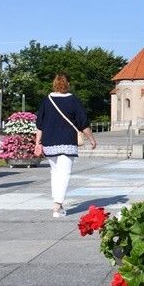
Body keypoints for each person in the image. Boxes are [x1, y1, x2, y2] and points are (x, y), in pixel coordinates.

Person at [34, 73, 96, 217]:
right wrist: (91, 138)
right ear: (68, 83)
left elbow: (40, 124)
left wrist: (37, 142)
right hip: (67, 141)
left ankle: (57, 202)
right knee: (64, 174)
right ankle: (58, 206)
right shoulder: (73, 100)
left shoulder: (46, 100)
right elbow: (83, 122)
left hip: (49, 142)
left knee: (55, 172)